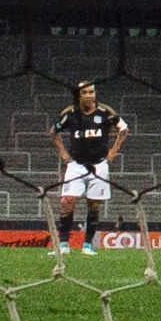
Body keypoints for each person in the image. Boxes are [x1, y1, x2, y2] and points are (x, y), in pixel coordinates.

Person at [50, 82, 127, 256]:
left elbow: (123, 128)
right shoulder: (70, 114)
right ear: (79, 95)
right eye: (85, 92)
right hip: (76, 165)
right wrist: (63, 153)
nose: (89, 95)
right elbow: (53, 131)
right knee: (66, 201)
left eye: (91, 91)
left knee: (93, 205)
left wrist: (114, 151)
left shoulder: (105, 112)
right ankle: (63, 244)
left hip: (99, 165)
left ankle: (87, 245)